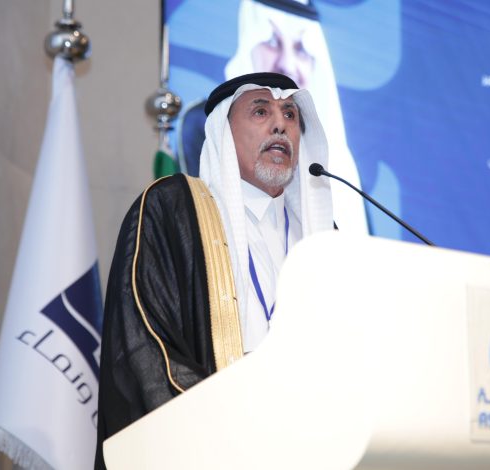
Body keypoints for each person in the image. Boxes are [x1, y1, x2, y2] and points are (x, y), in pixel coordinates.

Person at [94, 72, 334, 469]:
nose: (280, 124)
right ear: (223, 132)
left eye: (290, 114)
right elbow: (143, 345)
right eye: (261, 111)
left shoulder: (325, 242)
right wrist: (231, 427)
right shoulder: (171, 210)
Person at [177, 0, 368, 235]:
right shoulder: (204, 127)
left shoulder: (334, 173)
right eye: (272, 42)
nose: (287, 64)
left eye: (289, 114)